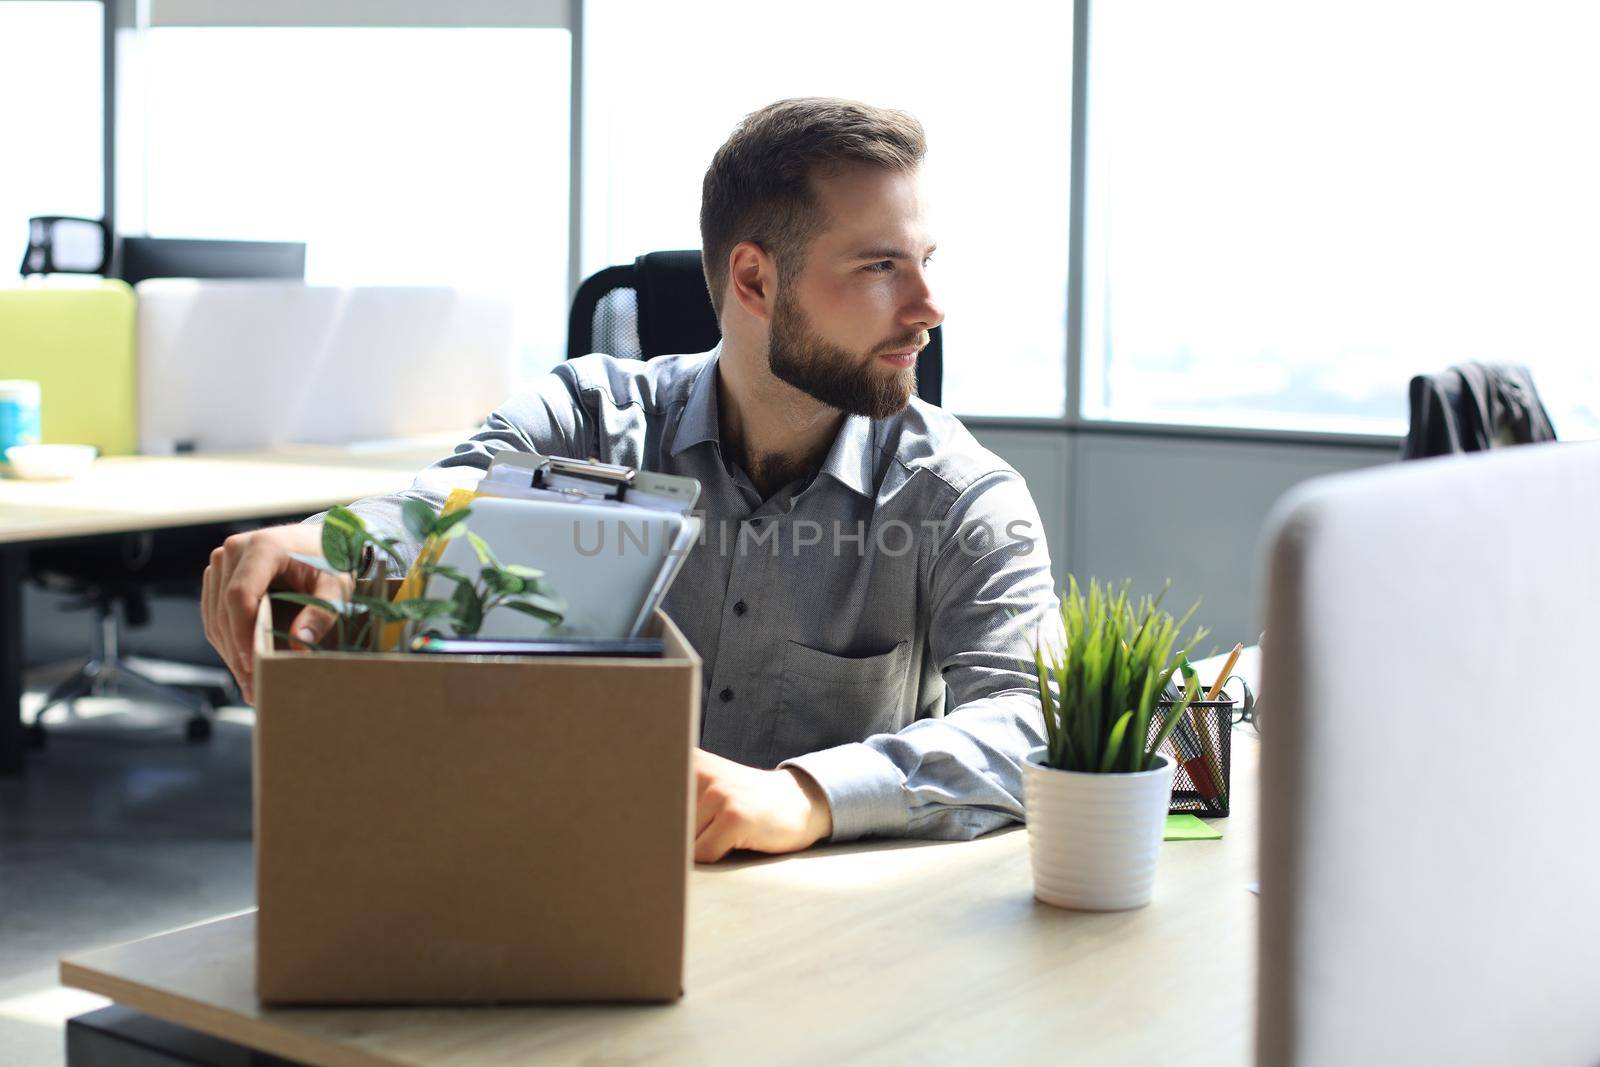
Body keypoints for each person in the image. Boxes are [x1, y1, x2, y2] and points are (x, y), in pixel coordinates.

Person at [202, 97, 1058, 864]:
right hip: (576, 888)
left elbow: (1032, 723)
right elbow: (443, 506)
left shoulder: (957, 495)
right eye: (880, 267)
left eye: (927, 258)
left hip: (819, 938)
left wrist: (804, 795)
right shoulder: (589, 418)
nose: (930, 303)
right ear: (756, 279)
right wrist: (325, 539)